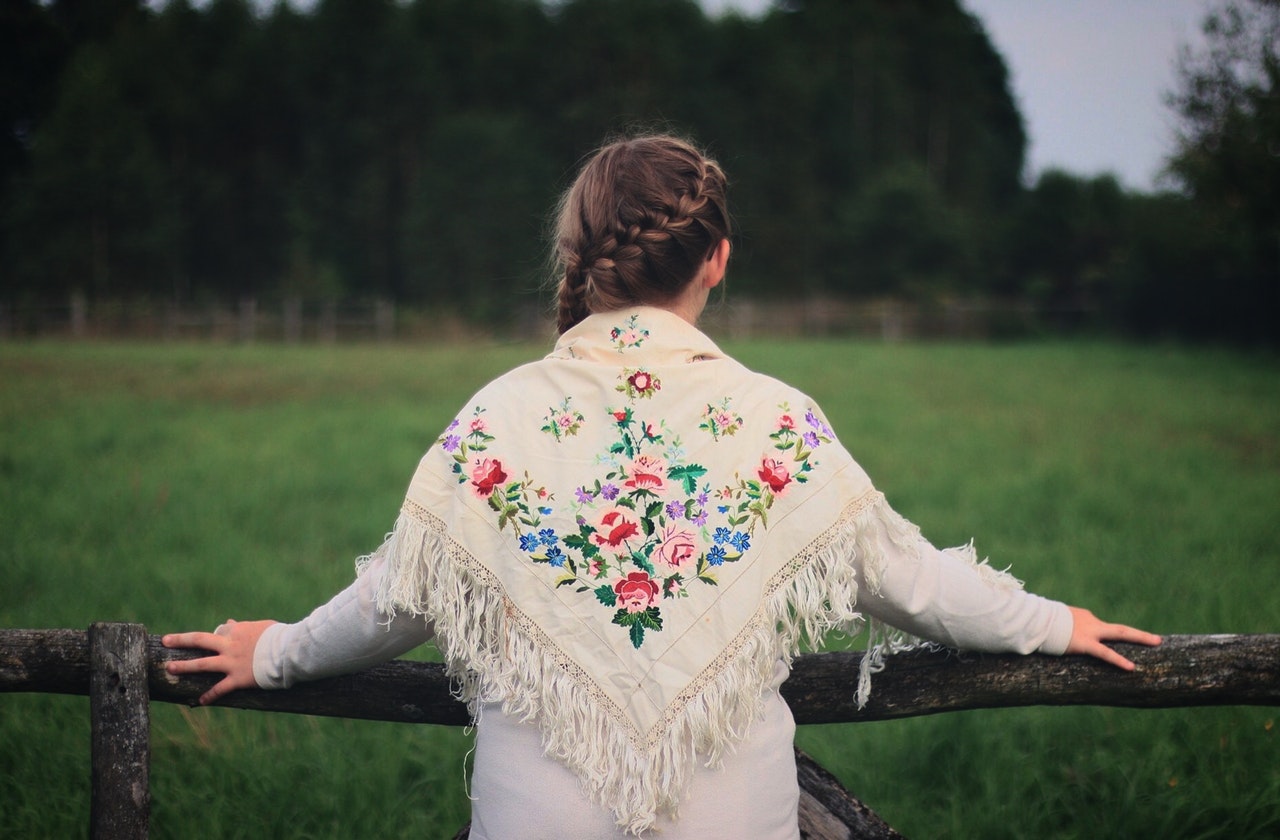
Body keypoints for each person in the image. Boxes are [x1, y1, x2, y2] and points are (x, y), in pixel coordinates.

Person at [163, 133, 1161, 839]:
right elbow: (913, 583)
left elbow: (397, 598)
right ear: (716, 260)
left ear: (575, 258)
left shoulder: (498, 414)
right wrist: (1050, 622)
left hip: (531, 818)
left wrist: (279, 652)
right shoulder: (776, 418)